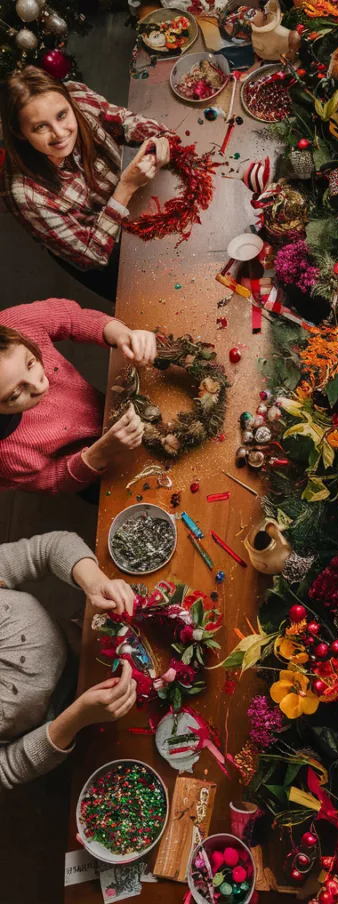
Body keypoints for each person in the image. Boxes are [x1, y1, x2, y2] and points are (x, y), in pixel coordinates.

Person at [0, 66, 172, 300]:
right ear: (19, 133)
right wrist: (126, 187)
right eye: (40, 127)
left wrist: (154, 143)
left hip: (129, 206)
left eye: (62, 115)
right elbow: (93, 256)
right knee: (147, 297)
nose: (59, 133)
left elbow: (124, 122)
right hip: (94, 246)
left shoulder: (78, 97)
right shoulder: (26, 195)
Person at [0, 529, 137, 790]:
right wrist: (78, 717)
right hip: (66, 723)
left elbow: (47, 549)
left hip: (84, 635)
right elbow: (8, 767)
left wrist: (95, 582)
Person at [0, 296, 156, 495]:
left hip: (106, 408)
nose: (39, 385)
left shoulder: (14, 325)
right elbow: (54, 481)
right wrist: (99, 454)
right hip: (93, 468)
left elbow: (71, 318)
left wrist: (120, 334)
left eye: (30, 362)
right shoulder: (6, 456)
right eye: (15, 394)